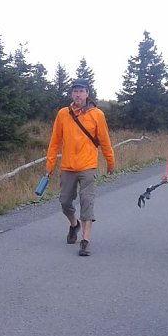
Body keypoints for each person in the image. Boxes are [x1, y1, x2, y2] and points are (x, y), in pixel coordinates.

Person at [44, 79, 116, 256]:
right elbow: (55, 141)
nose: (78, 94)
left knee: (86, 200)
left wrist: (110, 161)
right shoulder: (63, 114)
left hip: (88, 165)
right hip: (68, 166)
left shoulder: (97, 114)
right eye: (75, 91)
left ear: (87, 93)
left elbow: (104, 140)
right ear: (71, 94)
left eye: (81, 91)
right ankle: (74, 224)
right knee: (65, 202)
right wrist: (50, 164)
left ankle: (85, 240)